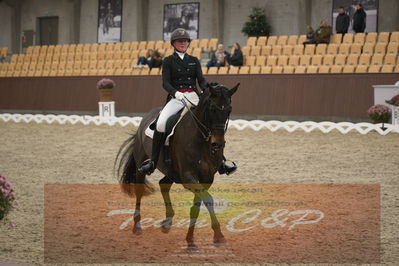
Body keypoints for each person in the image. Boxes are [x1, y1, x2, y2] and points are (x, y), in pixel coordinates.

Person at [138, 28, 237, 176]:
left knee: (211, 121)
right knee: (160, 123)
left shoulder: (194, 61)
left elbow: (201, 81)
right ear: (174, 44)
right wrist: (176, 93)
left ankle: (221, 162)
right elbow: (165, 83)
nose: (183, 43)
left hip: (194, 97)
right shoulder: (168, 61)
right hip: (176, 98)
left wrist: (208, 90)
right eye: (180, 41)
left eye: (185, 41)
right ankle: (153, 161)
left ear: (188, 43)